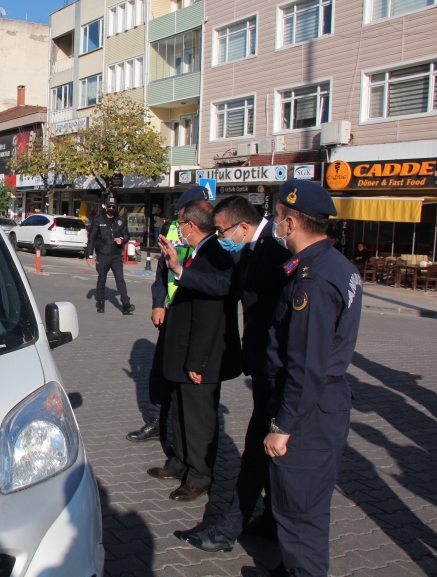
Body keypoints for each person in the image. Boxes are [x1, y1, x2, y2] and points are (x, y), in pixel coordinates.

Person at [241, 181, 362, 577]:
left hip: (307, 411)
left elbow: (306, 365)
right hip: (323, 405)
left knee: (299, 512)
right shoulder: (333, 264)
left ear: (291, 223)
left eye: (277, 216)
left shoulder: (312, 280)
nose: (274, 223)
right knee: (306, 504)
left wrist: (283, 426)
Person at [165, 196, 292, 551]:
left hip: (276, 365)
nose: (220, 236)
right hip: (262, 363)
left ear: (243, 226)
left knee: (259, 450)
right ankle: (269, 516)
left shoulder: (274, 251)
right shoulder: (250, 249)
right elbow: (227, 286)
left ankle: (236, 526)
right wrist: (179, 270)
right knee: (260, 450)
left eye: (222, 231)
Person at [147, 199, 241, 502]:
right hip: (183, 348)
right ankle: (180, 462)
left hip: (202, 355)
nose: (178, 229)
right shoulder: (198, 251)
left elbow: (209, 316)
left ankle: (199, 475)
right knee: (180, 410)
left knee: (198, 418)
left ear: (191, 225)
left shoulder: (215, 254)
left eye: (180, 223)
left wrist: (197, 362)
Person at [127, 186, 208, 444]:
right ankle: (156, 419)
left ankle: (185, 431)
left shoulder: (213, 233)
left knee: (190, 374)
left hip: (197, 313)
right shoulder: (173, 229)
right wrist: (158, 303)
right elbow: (162, 271)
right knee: (160, 370)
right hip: (172, 310)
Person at [86, 196, 135, 315]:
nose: (111, 209)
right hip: (102, 255)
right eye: (109, 206)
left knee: (120, 280)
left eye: (113, 207)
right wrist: (89, 255)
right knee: (102, 279)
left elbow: (126, 235)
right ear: (105, 206)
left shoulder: (120, 220)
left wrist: (121, 239)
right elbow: (91, 238)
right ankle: (100, 302)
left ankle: (126, 304)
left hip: (116, 255)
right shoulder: (98, 220)